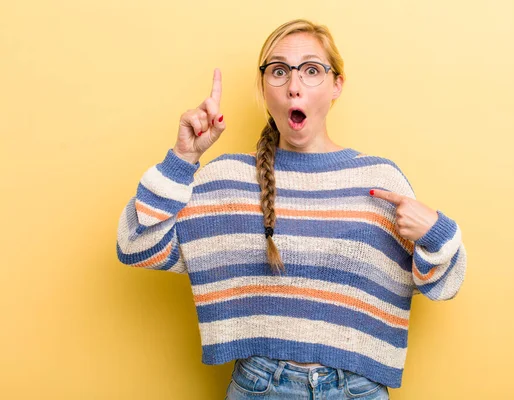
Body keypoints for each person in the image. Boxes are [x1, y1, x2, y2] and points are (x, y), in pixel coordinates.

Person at [116, 18, 467, 399]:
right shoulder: (228, 179)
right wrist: (182, 159)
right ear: (265, 88)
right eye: (279, 71)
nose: (294, 87)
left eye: (312, 70)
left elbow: (445, 283)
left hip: (357, 390)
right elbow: (135, 245)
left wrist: (435, 231)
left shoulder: (378, 179)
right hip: (260, 387)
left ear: (337, 85)